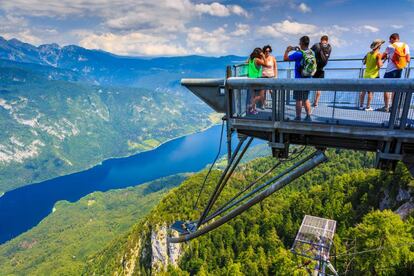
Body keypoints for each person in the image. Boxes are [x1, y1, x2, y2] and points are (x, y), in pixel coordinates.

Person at [283, 36, 316, 121]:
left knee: (298, 99)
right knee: (306, 98)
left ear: (301, 43)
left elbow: (285, 58)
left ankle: (298, 117)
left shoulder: (298, 54)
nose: (298, 44)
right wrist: (295, 49)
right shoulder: (312, 52)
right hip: (308, 79)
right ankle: (308, 116)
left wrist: (287, 50)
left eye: (299, 42)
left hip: (299, 80)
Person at [381, 33, 410, 112]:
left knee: (386, 89)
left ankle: (386, 107)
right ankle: (394, 107)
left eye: (390, 40)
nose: (389, 41)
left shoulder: (390, 46)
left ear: (392, 39)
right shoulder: (405, 45)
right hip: (399, 69)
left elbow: (382, 57)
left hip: (390, 70)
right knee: (395, 89)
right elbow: (408, 59)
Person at [359, 39, 384, 111]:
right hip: (373, 76)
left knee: (363, 91)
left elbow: (363, 62)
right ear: (379, 46)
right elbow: (379, 65)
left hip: (366, 74)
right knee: (370, 92)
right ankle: (368, 106)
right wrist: (382, 61)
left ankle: (361, 105)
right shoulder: (378, 54)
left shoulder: (368, 53)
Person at [311, 35, 332, 107]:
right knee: (319, 88)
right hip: (322, 69)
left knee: (308, 84)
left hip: (314, 68)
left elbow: (309, 51)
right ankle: (316, 102)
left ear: (321, 40)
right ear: (327, 40)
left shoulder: (317, 45)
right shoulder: (329, 47)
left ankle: (305, 101)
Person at [247, 47, 268, 114]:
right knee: (260, 96)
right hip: (257, 79)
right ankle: (251, 106)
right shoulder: (257, 60)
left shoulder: (250, 59)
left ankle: (252, 110)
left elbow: (246, 62)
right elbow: (266, 64)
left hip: (250, 79)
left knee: (253, 95)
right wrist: (264, 56)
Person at [260, 45, 278, 109]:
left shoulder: (272, 58)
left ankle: (274, 103)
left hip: (271, 76)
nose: (267, 52)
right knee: (263, 92)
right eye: (266, 51)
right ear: (264, 51)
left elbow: (275, 67)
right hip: (264, 76)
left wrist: (276, 76)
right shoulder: (262, 58)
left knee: (271, 91)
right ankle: (263, 104)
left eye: (269, 51)